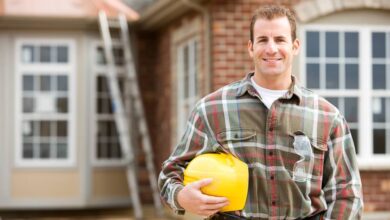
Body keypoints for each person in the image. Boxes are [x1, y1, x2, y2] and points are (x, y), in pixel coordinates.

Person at [158, 4, 363, 220]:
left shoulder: (328, 117)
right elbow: (170, 173)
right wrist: (181, 196)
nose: (271, 48)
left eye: (280, 40)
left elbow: (347, 192)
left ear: (295, 46)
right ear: (250, 47)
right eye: (263, 40)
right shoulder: (212, 110)